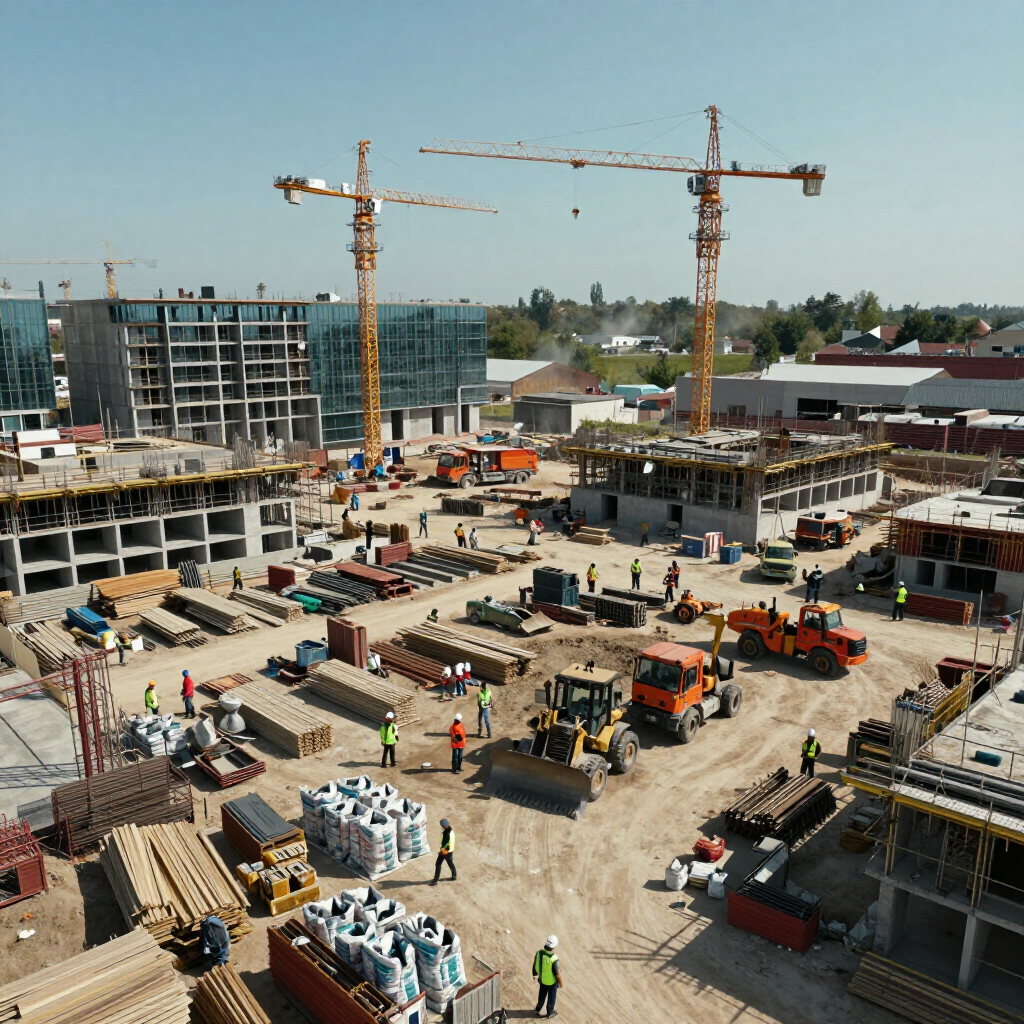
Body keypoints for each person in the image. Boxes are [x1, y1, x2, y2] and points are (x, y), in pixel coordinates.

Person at [533, 935, 562, 1018]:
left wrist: (539, 976)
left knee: (542, 994)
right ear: (554, 946)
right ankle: (550, 1011)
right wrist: (560, 983)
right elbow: (557, 973)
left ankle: (538, 1008)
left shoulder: (539, 953)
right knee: (551, 997)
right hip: (552, 982)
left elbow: (536, 965)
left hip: (542, 979)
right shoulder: (554, 958)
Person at [430, 818, 456, 885]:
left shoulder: (446, 833)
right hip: (450, 850)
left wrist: (442, 851)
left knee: (438, 864)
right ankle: (454, 876)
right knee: (450, 862)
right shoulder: (451, 831)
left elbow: (445, 843)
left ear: (444, 826)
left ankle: (435, 880)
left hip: (445, 851)